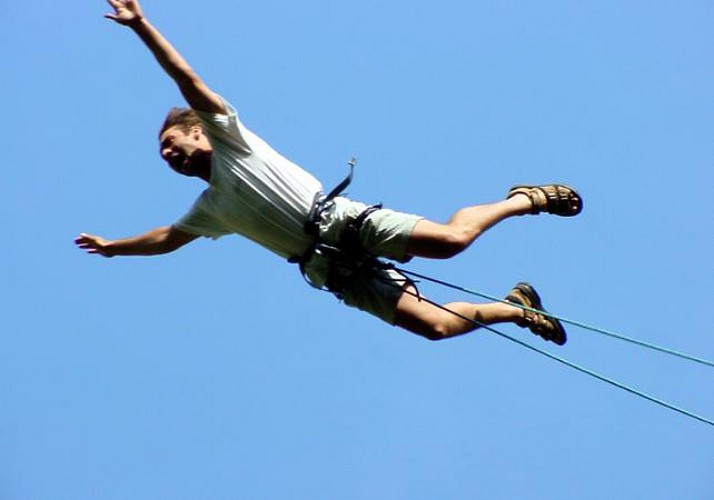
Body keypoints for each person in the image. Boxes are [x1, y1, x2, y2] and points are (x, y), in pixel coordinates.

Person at [76, 0, 583, 344]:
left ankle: (524, 199)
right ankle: (517, 308)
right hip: (332, 270)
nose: (169, 156)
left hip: (342, 222)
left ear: (198, 132)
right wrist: (112, 247)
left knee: (452, 242)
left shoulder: (230, 139)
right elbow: (167, 237)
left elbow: (187, 79)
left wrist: (141, 26)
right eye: (163, 156)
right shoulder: (212, 208)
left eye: (172, 143)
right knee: (435, 328)